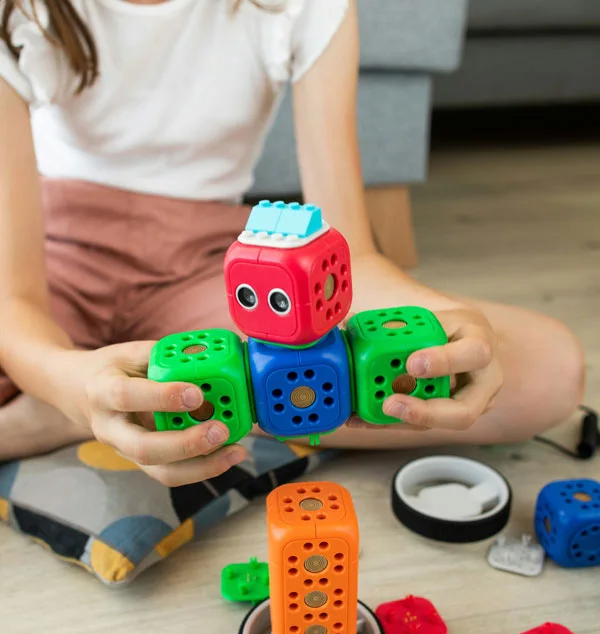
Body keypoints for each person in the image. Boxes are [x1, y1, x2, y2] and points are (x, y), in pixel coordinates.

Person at [0, 0, 585, 488]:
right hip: (53, 254)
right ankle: (100, 400)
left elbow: (347, 254)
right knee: (37, 355)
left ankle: (74, 412)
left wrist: (433, 318)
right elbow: (16, 298)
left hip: (221, 265)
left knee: (549, 370)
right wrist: (65, 378)